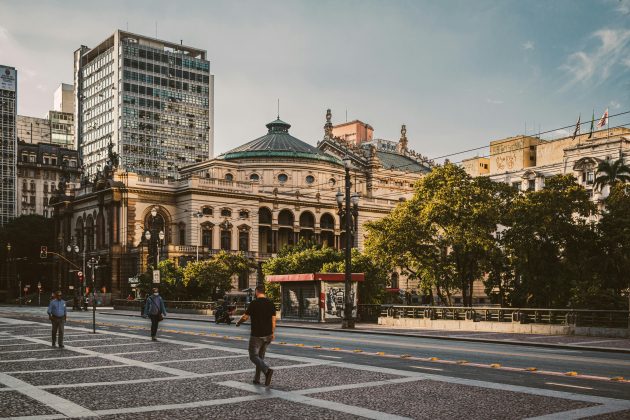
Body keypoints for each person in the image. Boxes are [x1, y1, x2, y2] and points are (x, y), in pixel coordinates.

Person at [236, 284, 276, 386]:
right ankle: (257, 379)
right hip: (268, 335)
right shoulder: (270, 303)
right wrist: (272, 333)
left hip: (256, 335)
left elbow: (245, 317)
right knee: (260, 358)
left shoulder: (254, 303)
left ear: (257, 291)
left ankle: (267, 370)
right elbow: (273, 320)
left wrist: (238, 322)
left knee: (253, 356)